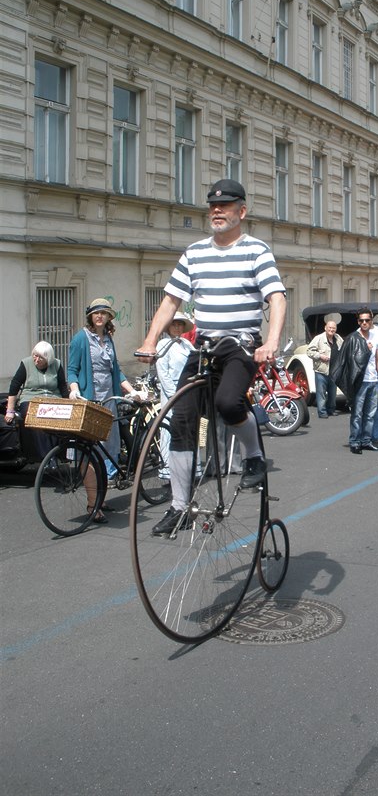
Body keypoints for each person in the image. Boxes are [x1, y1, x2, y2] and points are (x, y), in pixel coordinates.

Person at [137, 178, 286, 536]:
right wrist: (150, 339)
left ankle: (253, 456)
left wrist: (272, 342)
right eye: (213, 206)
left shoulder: (256, 251)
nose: (217, 211)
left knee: (227, 403)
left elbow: (276, 298)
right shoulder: (194, 253)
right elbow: (172, 300)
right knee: (182, 419)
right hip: (204, 347)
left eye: (226, 206)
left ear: (242, 211)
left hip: (240, 345)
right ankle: (179, 507)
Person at [67, 298, 140, 491]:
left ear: (108, 317)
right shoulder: (80, 339)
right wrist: (74, 389)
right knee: (92, 442)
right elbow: (72, 370)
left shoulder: (108, 339)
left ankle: (108, 479)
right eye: (96, 313)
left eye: (104, 313)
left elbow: (115, 371)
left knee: (110, 439)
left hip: (109, 396)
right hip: (89, 398)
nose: (100, 316)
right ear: (90, 316)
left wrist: (132, 391)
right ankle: (95, 485)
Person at [330, 308, 378, 455]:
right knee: (357, 414)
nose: (364, 323)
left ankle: (366, 441)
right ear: (358, 322)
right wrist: (365, 350)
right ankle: (355, 442)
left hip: (373, 380)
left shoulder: (376, 337)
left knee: (370, 414)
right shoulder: (353, 338)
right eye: (361, 320)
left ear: (371, 320)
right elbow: (347, 362)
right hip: (359, 382)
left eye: (367, 320)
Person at [4, 341, 69, 459]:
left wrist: (69, 405)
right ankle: (46, 456)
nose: (36, 359)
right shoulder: (26, 363)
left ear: (48, 359)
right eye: (35, 355)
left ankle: (58, 453)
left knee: (61, 420)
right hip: (31, 399)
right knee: (35, 419)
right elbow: (14, 386)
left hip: (53, 399)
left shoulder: (56, 364)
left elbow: (62, 386)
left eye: (41, 357)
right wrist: (10, 409)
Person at [155, 311, 195, 480]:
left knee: (188, 429)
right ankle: (168, 469)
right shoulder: (162, 345)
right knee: (170, 430)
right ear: (168, 327)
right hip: (172, 393)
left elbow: (196, 362)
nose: (177, 328)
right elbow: (162, 373)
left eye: (180, 324)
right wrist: (173, 394)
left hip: (188, 390)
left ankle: (188, 468)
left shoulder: (187, 344)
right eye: (174, 324)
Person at [306, 320, 343, 418]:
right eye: (330, 327)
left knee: (332, 393)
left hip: (334, 370)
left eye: (333, 328)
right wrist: (320, 356)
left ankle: (331, 410)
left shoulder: (338, 338)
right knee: (321, 393)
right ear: (325, 328)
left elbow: (344, 349)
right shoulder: (318, 338)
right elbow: (309, 351)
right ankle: (322, 412)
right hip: (321, 370)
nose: (331, 330)